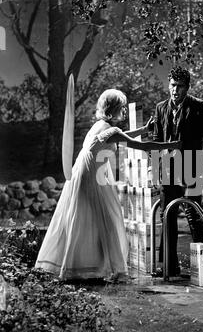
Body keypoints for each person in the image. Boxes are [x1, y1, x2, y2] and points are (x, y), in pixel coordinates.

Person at [35, 89, 180, 282]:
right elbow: (141, 146)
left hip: (85, 172)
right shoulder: (110, 130)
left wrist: (143, 130)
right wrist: (173, 145)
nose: (125, 112)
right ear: (113, 110)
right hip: (92, 177)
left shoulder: (100, 126)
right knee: (108, 219)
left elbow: (120, 136)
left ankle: (86, 265)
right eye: (122, 107)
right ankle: (113, 268)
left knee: (86, 219)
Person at [151, 66, 203, 277]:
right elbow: (155, 141)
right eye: (173, 85)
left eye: (180, 87)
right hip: (166, 167)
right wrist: (154, 170)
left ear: (187, 87)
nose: (175, 90)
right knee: (167, 215)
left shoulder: (198, 107)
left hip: (192, 164)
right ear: (169, 84)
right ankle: (168, 266)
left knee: (194, 213)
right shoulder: (160, 107)